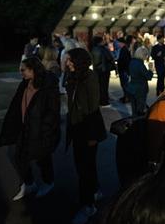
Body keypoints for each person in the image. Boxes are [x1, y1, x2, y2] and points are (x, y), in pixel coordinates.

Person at [0, 57, 60, 200]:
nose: (21, 73)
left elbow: (52, 111)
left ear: (33, 69)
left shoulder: (48, 85)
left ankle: (48, 182)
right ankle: (29, 183)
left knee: (43, 158)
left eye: (23, 70)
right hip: (24, 127)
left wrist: (45, 130)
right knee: (19, 156)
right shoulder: (25, 83)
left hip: (40, 130)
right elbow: (16, 105)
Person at [64, 48, 107, 224]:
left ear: (78, 61)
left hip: (87, 130)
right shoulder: (73, 77)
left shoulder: (89, 77)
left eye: (70, 60)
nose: (67, 63)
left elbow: (92, 108)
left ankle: (87, 206)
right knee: (85, 166)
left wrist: (92, 136)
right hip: (76, 128)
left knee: (84, 169)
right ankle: (94, 190)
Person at [126, 46, 153, 116]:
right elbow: (148, 76)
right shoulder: (140, 64)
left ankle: (134, 123)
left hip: (132, 87)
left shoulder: (131, 62)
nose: (146, 57)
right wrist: (151, 69)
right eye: (146, 55)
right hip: (140, 89)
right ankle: (138, 125)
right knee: (140, 110)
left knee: (134, 109)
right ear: (143, 55)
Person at [91, 36, 116, 106]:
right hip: (104, 70)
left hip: (96, 70)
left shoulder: (93, 49)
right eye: (103, 40)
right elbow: (110, 58)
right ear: (100, 42)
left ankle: (99, 100)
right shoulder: (104, 49)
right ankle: (104, 101)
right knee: (104, 86)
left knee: (98, 86)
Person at [116, 37, 131, 103]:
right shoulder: (124, 49)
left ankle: (127, 97)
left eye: (118, 42)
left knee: (125, 85)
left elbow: (125, 61)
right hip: (123, 70)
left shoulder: (124, 50)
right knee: (124, 84)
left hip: (124, 70)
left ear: (121, 43)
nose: (117, 44)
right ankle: (125, 96)